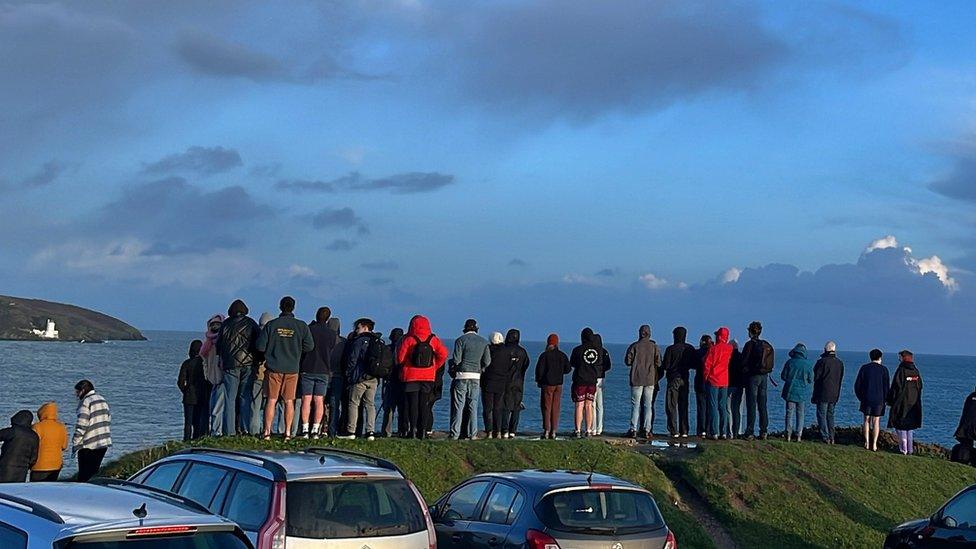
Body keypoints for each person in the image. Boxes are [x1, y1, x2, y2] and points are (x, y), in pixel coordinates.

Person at [257, 296, 314, 440]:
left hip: (274, 368)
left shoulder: (272, 325)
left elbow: (260, 346)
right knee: (289, 401)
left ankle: (267, 432)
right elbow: (310, 346)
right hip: (292, 369)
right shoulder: (301, 326)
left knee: (271, 400)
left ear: (280, 307)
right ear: (293, 308)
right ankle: (287, 433)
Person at [398, 315, 449, 439]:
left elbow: (400, 358)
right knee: (424, 404)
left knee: (412, 405)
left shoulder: (409, 339)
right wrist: (434, 366)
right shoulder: (433, 339)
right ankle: (423, 430)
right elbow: (444, 354)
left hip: (410, 376)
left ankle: (413, 430)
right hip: (428, 376)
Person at [216, 299, 259, 436]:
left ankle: (229, 431)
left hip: (230, 365)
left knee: (230, 398)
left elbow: (219, 345)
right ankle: (245, 428)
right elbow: (258, 343)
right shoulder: (251, 323)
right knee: (245, 396)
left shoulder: (226, 324)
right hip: (248, 363)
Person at [338, 318, 383, 441]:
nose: (356, 330)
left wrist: (348, 373)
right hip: (373, 377)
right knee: (370, 405)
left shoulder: (359, 341)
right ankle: (370, 432)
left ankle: (351, 431)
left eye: (358, 328)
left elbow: (353, 358)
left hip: (359, 377)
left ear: (364, 327)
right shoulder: (377, 341)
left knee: (354, 403)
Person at [448, 319, 491, 440]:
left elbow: (456, 360)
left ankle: (455, 433)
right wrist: (480, 369)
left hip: (462, 375)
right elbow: (487, 361)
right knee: (473, 406)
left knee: (459, 406)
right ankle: (473, 434)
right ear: (476, 328)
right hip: (475, 376)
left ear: (465, 328)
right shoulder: (483, 342)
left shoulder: (460, 340)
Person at [299, 307, 336, 439]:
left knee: (306, 399)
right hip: (323, 369)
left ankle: (304, 429)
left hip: (308, 367)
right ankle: (315, 429)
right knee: (319, 400)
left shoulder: (309, 330)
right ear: (328, 318)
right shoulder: (332, 334)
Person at [624, 325, 661, 439]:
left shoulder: (634, 346)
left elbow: (628, 361)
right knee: (648, 405)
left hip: (636, 378)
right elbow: (659, 363)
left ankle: (633, 428)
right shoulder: (654, 347)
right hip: (650, 379)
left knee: (635, 404)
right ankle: (646, 429)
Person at [740, 321, 774, 440]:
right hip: (764, 377)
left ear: (750, 331)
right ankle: (764, 430)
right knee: (762, 405)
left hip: (752, 377)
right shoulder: (766, 344)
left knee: (751, 404)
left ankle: (749, 432)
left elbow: (743, 361)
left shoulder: (749, 345)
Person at [72, 380, 111, 482]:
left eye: (77, 392)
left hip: (89, 444)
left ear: (83, 390)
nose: (76, 395)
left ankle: (81, 495)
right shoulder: (102, 399)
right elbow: (108, 418)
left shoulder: (86, 402)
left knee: (84, 475)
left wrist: (76, 443)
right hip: (103, 442)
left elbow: (82, 424)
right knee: (94, 472)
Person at [663, 327, 697, 438]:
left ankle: (674, 430)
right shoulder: (690, 348)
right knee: (683, 405)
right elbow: (694, 364)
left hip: (673, 378)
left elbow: (666, 366)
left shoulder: (670, 349)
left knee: (671, 405)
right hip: (685, 378)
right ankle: (684, 430)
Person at [887, 350, 923, 455]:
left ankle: (903, 449)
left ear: (903, 358)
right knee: (910, 428)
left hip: (902, 402)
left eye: (900, 357)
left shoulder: (901, 370)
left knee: (901, 426)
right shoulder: (916, 371)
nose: (898, 359)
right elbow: (920, 386)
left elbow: (895, 387)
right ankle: (910, 449)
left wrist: (890, 400)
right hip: (913, 403)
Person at [536, 333, 570, 439]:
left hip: (547, 384)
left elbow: (539, 371)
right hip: (558, 384)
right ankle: (554, 430)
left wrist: (539, 381)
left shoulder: (544, 355)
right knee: (556, 407)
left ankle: (546, 430)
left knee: (546, 407)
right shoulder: (562, 355)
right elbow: (568, 369)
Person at [854, 349, 890, 452]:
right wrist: (886, 399)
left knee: (866, 420)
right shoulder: (884, 370)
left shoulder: (864, 368)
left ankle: (866, 442)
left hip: (866, 398)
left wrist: (861, 397)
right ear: (880, 357)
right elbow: (886, 387)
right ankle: (874, 444)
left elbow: (857, 385)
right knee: (876, 421)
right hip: (879, 399)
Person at [570, 328, 603, 437]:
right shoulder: (597, 350)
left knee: (579, 405)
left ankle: (577, 430)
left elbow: (573, 363)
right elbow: (599, 363)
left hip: (580, 380)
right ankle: (588, 430)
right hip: (592, 380)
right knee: (589, 405)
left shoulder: (577, 350)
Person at [812, 341, 844, 444]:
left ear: (825, 349)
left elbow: (816, 377)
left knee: (821, 414)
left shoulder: (822, 362)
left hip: (823, 392)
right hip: (834, 393)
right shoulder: (839, 363)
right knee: (830, 415)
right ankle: (832, 436)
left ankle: (825, 437)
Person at [780, 343, 814, 442]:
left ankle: (788, 434)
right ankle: (799, 435)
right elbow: (810, 379)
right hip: (802, 393)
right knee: (800, 413)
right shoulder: (808, 364)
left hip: (790, 391)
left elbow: (783, 376)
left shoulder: (789, 362)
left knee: (789, 413)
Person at [703, 327, 732, 440]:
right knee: (722, 407)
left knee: (713, 406)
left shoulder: (713, 349)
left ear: (719, 336)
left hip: (714, 379)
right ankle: (723, 432)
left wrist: (705, 377)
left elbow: (707, 365)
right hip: (724, 380)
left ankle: (714, 432)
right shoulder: (729, 349)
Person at [177, 340, 209, 441]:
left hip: (189, 396)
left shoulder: (186, 363)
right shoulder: (204, 363)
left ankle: (186, 440)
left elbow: (180, 382)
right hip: (202, 395)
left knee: (188, 422)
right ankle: (197, 439)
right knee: (199, 420)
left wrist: (185, 391)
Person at [502, 329, 530, 438]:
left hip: (506, 381)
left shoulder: (504, 350)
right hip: (518, 381)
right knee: (516, 406)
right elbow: (526, 365)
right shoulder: (522, 352)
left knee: (506, 406)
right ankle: (513, 430)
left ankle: (504, 429)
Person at [482, 332, 511, 439]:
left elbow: (484, 363)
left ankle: (489, 431)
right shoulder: (506, 351)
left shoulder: (488, 349)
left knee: (488, 408)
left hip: (488, 381)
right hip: (501, 382)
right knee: (498, 408)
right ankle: (498, 431)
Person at [199, 314, 224, 436]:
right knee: (216, 406)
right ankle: (216, 431)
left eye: (217, 324)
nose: (214, 327)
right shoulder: (209, 343)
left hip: (219, 377)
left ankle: (216, 431)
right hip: (214, 378)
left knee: (217, 407)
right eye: (213, 325)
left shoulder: (215, 342)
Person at [249, 312, 273, 436]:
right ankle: (270, 430)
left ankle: (254, 431)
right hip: (272, 374)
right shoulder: (273, 336)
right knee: (272, 403)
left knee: (255, 405)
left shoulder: (256, 336)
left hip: (258, 374)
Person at [31, 402, 67, 482]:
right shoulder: (61, 427)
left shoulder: (36, 427)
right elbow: (64, 446)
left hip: (39, 465)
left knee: (35, 490)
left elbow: (31, 446)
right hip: (56, 465)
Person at [0, 410, 38, 483]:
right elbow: (33, 458)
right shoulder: (34, 436)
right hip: (22, 471)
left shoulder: (13, 431)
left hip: (5, 467)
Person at [381, 327, 406, 438]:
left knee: (388, 409)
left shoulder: (387, 349)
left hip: (389, 381)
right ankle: (402, 430)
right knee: (402, 408)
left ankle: (387, 431)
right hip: (402, 381)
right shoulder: (404, 349)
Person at [326, 317, 346, 437]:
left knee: (320, 402)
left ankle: (320, 427)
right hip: (338, 376)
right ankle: (333, 429)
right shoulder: (343, 342)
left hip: (324, 374)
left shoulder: (324, 340)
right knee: (335, 404)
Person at [695, 335, 712, 437]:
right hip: (710, 381)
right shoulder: (712, 352)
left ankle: (701, 429)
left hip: (700, 380)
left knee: (701, 406)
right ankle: (709, 428)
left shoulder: (698, 353)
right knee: (710, 406)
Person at [594, 333, 611, 435]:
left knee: (592, 404)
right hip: (601, 378)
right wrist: (602, 370)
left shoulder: (592, 352)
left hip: (591, 378)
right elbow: (608, 365)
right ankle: (599, 428)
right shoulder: (604, 352)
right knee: (600, 405)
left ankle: (592, 427)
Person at [727, 339, 745, 438]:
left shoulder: (728, 358)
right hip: (740, 385)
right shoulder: (742, 356)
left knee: (728, 409)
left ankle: (729, 432)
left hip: (729, 384)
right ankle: (738, 431)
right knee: (738, 410)